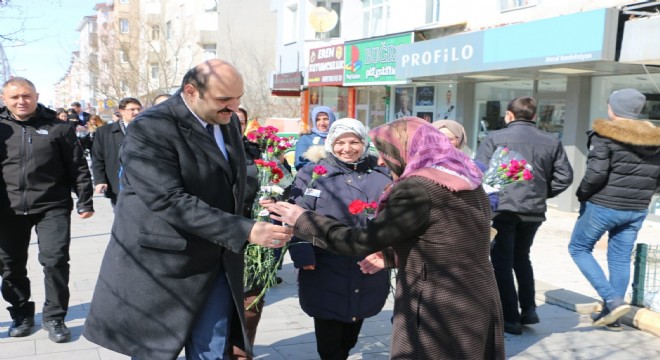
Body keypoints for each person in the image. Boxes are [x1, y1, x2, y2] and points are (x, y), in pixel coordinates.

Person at [83, 59, 293, 359]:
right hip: (164, 265)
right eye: (224, 99)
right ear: (191, 91)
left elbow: (231, 179)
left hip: (217, 259)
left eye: (238, 99)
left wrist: (260, 204)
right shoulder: (151, 127)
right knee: (154, 353)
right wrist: (245, 229)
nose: (233, 107)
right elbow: (167, 198)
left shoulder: (228, 120)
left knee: (213, 350)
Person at [268, 117, 505, 359]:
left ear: (406, 149)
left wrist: (304, 219)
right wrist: (391, 255)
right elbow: (447, 236)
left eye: (386, 152)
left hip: (439, 300)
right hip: (476, 294)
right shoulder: (466, 178)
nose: (380, 160)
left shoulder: (417, 187)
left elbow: (361, 241)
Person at [0, 77, 95, 343]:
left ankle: (54, 316)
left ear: (36, 95)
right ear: (4, 99)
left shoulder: (58, 127)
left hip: (52, 205)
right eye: (15, 97)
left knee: (54, 261)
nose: (22, 101)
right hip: (8, 210)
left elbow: (77, 167)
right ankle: (21, 313)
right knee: (10, 266)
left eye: (27, 95)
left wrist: (84, 200)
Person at [288, 118, 391, 360]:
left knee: (353, 328)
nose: (347, 148)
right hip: (325, 262)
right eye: (340, 142)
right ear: (330, 144)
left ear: (364, 143)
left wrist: (387, 252)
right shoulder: (314, 174)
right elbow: (296, 213)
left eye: (354, 141)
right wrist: (302, 252)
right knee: (329, 337)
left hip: (367, 262)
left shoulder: (382, 174)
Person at [475, 96, 574, 335]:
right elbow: (565, 176)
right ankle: (529, 309)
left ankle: (511, 318)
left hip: (503, 209)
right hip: (533, 210)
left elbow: (478, 172)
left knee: (501, 261)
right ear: (534, 116)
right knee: (522, 257)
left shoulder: (495, 138)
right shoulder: (551, 141)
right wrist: (542, 192)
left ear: (509, 115)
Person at [569, 88, 660, 330]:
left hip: (603, 205)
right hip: (637, 208)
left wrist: (582, 194)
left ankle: (612, 300)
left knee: (578, 248)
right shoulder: (655, 140)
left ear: (614, 108)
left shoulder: (605, 135)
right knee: (619, 257)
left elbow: (596, 174)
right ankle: (613, 317)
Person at [91, 97, 142, 206]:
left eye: (138, 109)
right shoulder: (104, 132)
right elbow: (97, 158)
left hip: (142, 183)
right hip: (117, 183)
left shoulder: (147, 129)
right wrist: (100, 180)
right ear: (122, 111)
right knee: (122, 216)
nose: (136, 112)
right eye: (132, 109)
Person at [294, 105, 336, 170]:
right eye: (317, 120)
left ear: (332, 119)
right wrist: (321, 169)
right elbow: (299, 163)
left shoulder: (339, 136)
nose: (322, 123)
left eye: (326, 119)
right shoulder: (306, 138)